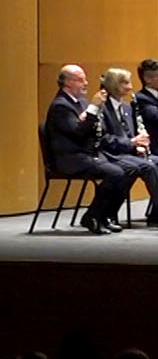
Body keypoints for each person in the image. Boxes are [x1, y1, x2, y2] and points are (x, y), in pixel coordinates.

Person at [44, 65, 135, 234]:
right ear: (68, 82)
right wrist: (92, 111)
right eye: (81, 80)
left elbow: (94, 128)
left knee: (129, 169)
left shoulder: (83, 102)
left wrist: (90, 116)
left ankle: (105, 215)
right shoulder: (61, 106)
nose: (86, 83)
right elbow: (78, 132)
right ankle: (92, 216)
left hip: (89, 153)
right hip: (70, 158)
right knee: (114, 173)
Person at [97, 68, 158, 229]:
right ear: (114, 85)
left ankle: (156, 212)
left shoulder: (127, 107)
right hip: (111, 154)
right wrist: (132, 143)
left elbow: (131, 133)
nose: (130, 86)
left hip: (129, 152)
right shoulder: (102, 107)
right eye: (125, 83)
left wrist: (140, 144)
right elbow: (103, 139)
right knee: (146, 167)